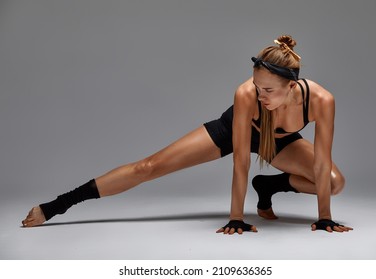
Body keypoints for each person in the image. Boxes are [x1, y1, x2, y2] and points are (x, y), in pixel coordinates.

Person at [22, 35, 353, 234]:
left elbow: (322, 164)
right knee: (148, 167)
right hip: (233, 130)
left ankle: (270, 185)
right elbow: (240, 162)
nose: (260, 94)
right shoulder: (246, 95)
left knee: (335, 183)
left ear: (292, 87)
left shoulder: (321, 100)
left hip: (280, 143)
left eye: (268, 90)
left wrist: (325, 218)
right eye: (256, 86)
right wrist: (236, 218)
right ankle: (56, 206)